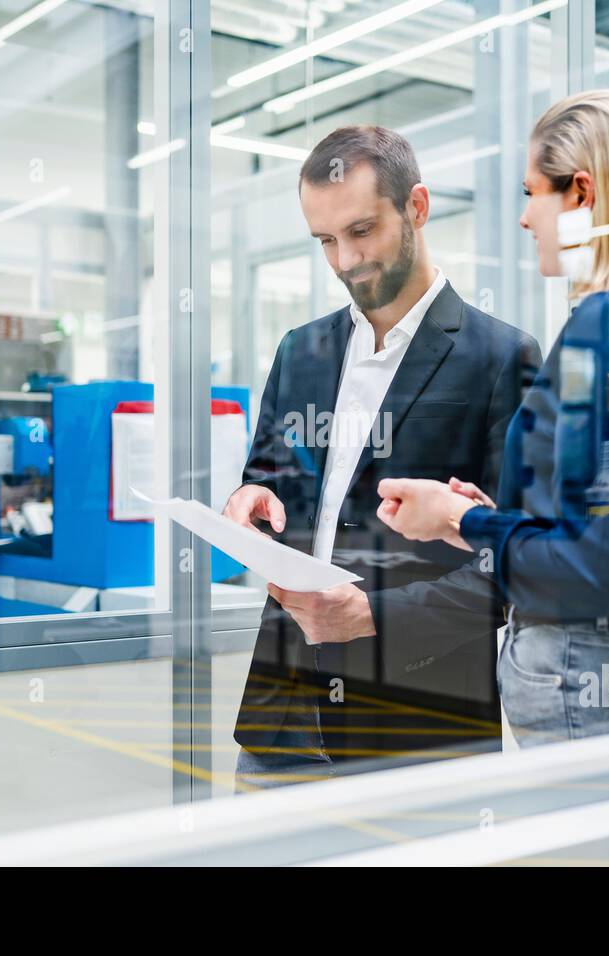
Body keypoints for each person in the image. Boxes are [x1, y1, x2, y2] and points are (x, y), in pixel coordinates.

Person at [374, 90, 609, 746]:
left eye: (534, 193)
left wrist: (458, 518)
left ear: (583, 193)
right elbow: (605, 529)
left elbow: (595, 569)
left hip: (587, 663)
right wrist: (490, 519)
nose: (527, 218)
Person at [224, 125, 540, 788]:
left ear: (416, 207)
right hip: (281, 715)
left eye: (362, 230)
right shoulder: (299, 351)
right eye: (325, 241)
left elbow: (518, 565)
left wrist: (370, 616)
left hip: (415, 727)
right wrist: (249, 500)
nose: (345, 260)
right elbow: (270, 477)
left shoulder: (499, 359)